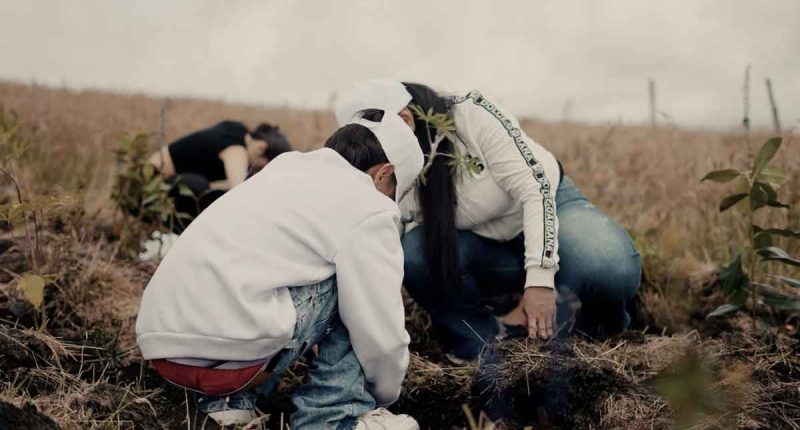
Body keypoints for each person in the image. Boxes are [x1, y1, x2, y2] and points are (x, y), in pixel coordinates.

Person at [135, 111, 423, 430]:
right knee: (355, 287)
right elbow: (379, 328)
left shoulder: (285, 168)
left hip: (164, 350)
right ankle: (335, 416)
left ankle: (229, 405)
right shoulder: (370, 205)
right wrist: (384, 391)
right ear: (385, 173)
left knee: (275, 274)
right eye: (395, 192)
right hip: (232, 360)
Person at [335, 79, 642, 363]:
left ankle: (601, 322)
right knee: (415, 255)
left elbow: (534, 190)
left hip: (548, 205)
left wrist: (539, 282)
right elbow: (380, 241)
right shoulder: (390, 168)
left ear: (405, 120)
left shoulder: (470, 112)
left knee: (606, 265)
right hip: (482, 242)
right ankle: (484, 339)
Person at [146, 120, 291, 231]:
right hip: (150, 188)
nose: (257, 170)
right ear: (261, 148)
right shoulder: (236, 147)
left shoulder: (236, 132)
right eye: (260, 166)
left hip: (158, 190)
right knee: (205, 192)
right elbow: (239, 192)